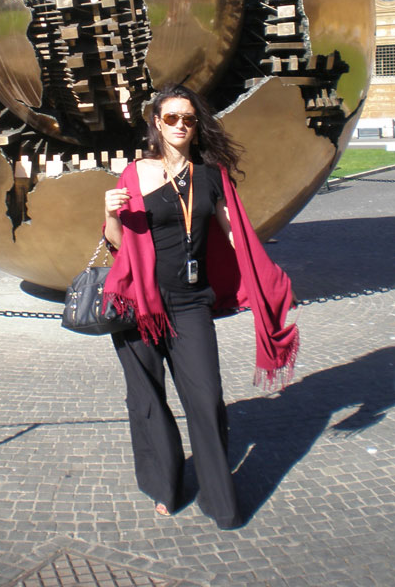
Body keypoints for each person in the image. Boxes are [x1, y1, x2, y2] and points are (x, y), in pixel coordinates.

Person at [103, 83, 299, 530]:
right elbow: (118, 245)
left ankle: (218, 498)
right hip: (140, 304)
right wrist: (111, 214)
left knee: (206, 398)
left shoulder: (211, 175)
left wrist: (267, 279)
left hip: (191, 302)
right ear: (157, 123)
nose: (180, 125)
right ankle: (165, 486)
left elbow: (237, 236)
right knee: (147, 399)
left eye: (188, 119)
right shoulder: (134, 174)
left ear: (196, 125)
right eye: (171, 117)